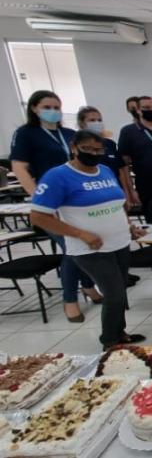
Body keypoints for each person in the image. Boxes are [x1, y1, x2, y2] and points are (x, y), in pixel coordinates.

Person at [30, 130, 147, 350]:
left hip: (119, 243)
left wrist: (129, 226)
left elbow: (116, 204)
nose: (94, 154)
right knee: (114, 293)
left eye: (98, 150)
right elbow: (38, 216)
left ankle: (119, 332)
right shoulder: (58, 176)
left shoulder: (104, 170)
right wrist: (81, 234)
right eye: (88, 149)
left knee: (120, 292)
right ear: (74, 147)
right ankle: (110, 342)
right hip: (90, 248)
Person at [11, 90, 102, 321]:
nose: (53, 111)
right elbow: (20, 168)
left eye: (56, 107)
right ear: (34, 108)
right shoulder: (26, 134)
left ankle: (88, 287)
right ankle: (70, 300)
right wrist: (38, 199)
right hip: (50, 201)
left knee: (84, 247)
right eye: (47, 107)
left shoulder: (70, 134)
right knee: (72, 250)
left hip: (78, 202)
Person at [77, 106, 134, 208]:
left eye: (99, 120)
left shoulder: (110, 144)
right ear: (82, 123)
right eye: (92, 120)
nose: (97, 123)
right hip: (93, 193)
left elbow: (120, 171)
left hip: (115, 191)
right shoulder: (78, 146)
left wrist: (126, 194)